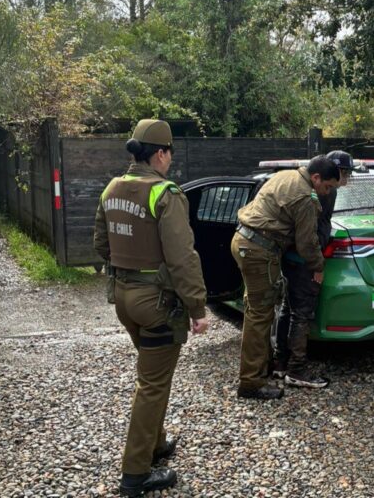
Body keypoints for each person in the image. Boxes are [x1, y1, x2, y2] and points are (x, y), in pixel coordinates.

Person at [93, 119, 209, 497]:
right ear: (160, 153)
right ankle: (135, 474)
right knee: (153, 385)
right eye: (169, 153)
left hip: (123, 299)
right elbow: (182, 258)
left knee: (152, 375)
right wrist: (197, 308)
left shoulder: (112, 188)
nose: (170, 160)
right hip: (157, 304)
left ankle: (156, 444)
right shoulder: (165, 193)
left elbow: (101, 244)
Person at [231, 155, 340, 399]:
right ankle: (251, 382)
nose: (327, 192)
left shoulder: (284, 175)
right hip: (259, 249)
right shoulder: (305, 197)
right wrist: (318, 266)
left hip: (243, 240)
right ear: (316, 177)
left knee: (257, 309)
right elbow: (307, 243)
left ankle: (265, 366)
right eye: (327, 186)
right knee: (260, 316)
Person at [272, 151, 354, 385]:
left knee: (288, 309)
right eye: (344, 173)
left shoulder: (299, 184)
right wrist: (317, 264)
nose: (345, 178)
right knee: (302, 314)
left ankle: (280, 363)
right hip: (305, 260)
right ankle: (296, 370)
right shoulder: (323, 192)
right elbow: (313, 232)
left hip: (289, 256)